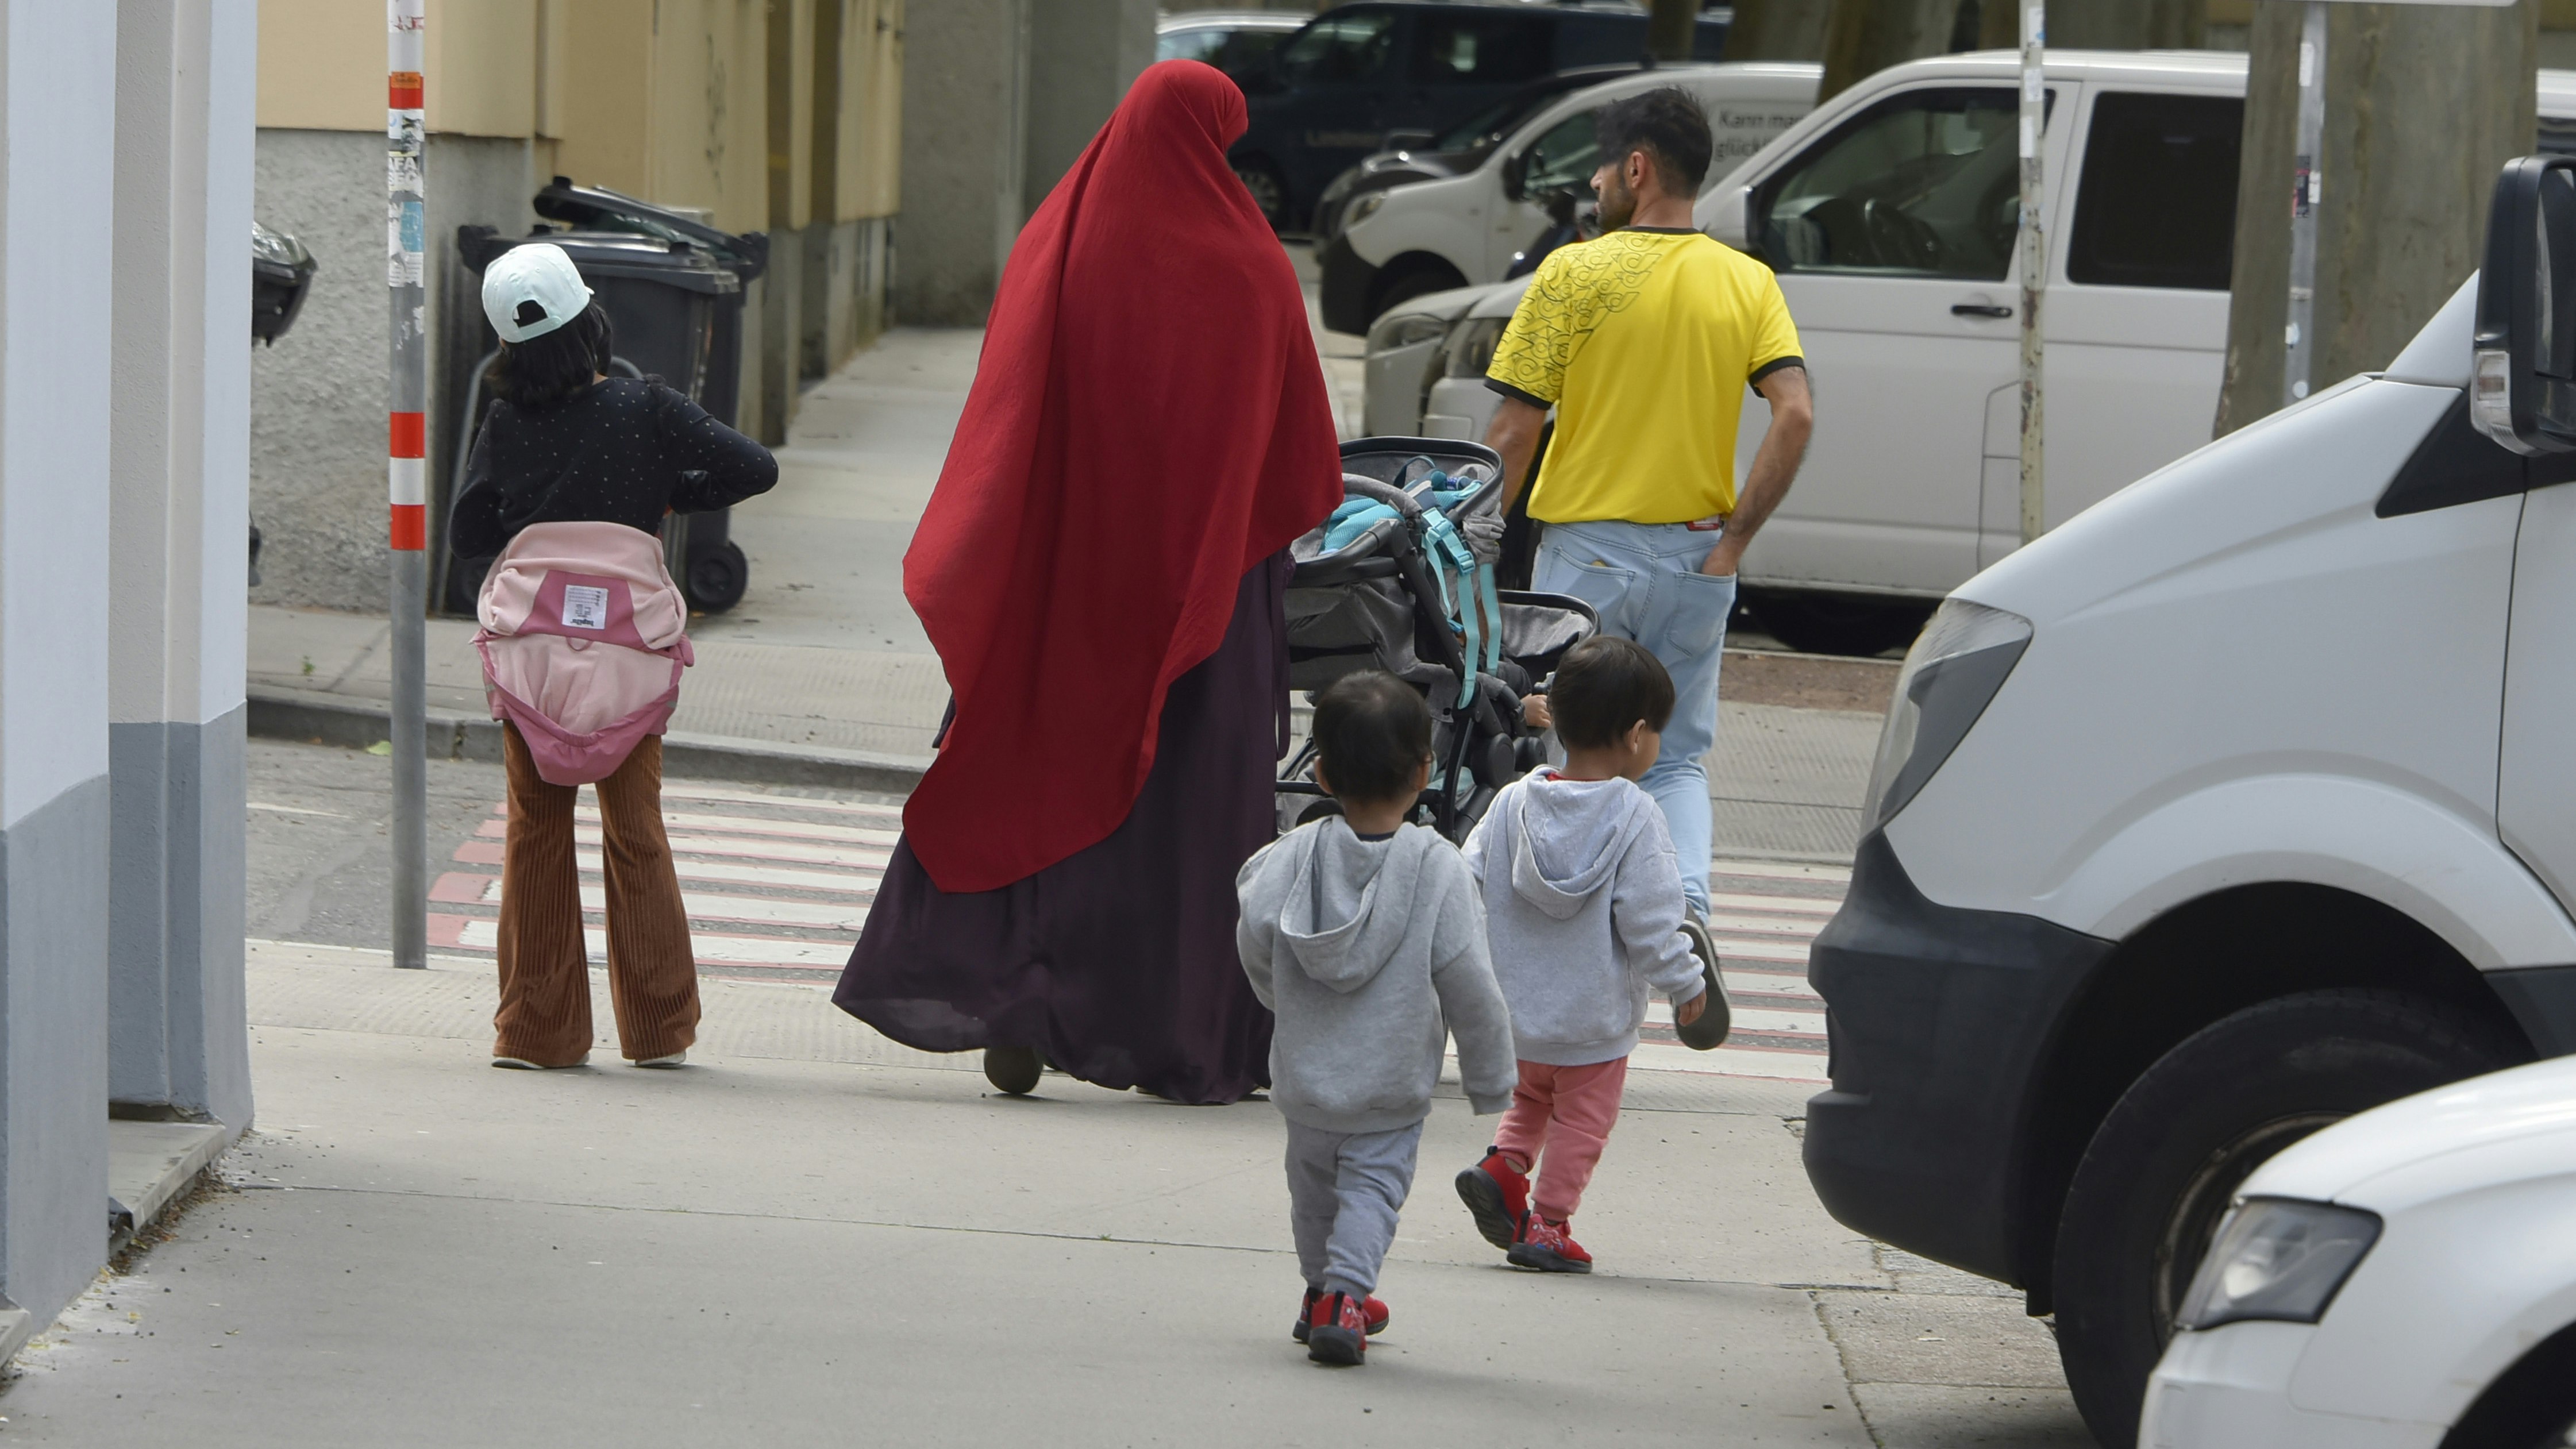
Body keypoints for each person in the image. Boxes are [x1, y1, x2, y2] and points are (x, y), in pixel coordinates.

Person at [831, 61, 1343, 1104]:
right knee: (1188, 805)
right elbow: (1297, 454)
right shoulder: (1249, 266)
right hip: (1198, 584)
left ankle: (1010, 997)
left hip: (1061, 570)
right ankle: (1165, 1030)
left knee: (1026, 762)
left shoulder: (1058, 242)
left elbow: (1006, 411)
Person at [1480, 87, 1815, 943]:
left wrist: (1475, 546)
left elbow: (1514, 432)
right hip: (1698, 560)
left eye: (1600, 169)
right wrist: (1735, 538)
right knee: (1674, 759)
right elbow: (1795, 411)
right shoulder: (1748, 282)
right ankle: (1687, 911)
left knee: (1568, 747)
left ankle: (1564, 928)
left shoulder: (1570, 274)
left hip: (1586, 565)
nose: (1595, 186)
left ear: (1635, 168)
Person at [450, 242, 779, 1070]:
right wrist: (667, 492)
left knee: (534, 830)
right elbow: (754, 467)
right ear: (591, 322)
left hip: (534, 663)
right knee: (636, 831)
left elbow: (469, 532)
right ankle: (659, 1027)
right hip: (629, 656)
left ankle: (535, 1030)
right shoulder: (646, 409)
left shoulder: (505, 423)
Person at [1235, 671, 1518, 1366]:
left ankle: (1320, 1289)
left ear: (1323, 771)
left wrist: (1280, 999)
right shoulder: (1438, 870)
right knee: (1371, 1190)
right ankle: (1346, 1295)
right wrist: (1491, 1078)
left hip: (1304, 1078)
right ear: (1425, 771)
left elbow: (1253, 932)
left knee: (1312, 1193)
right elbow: (1470, 983)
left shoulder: (1289, 857)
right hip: (1389, 1083)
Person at [1453, 637, 1707, 1274]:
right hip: (1592, 1023)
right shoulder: (1636, 816)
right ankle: (1548, 1222)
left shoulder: (1513, 800)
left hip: (1519, 1013)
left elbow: (1464, 881)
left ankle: (1504, 1166)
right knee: (1581, 1123)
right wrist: (1685, 982)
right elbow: (1652, 921)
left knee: (1531, 1098)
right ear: (1637, 735)